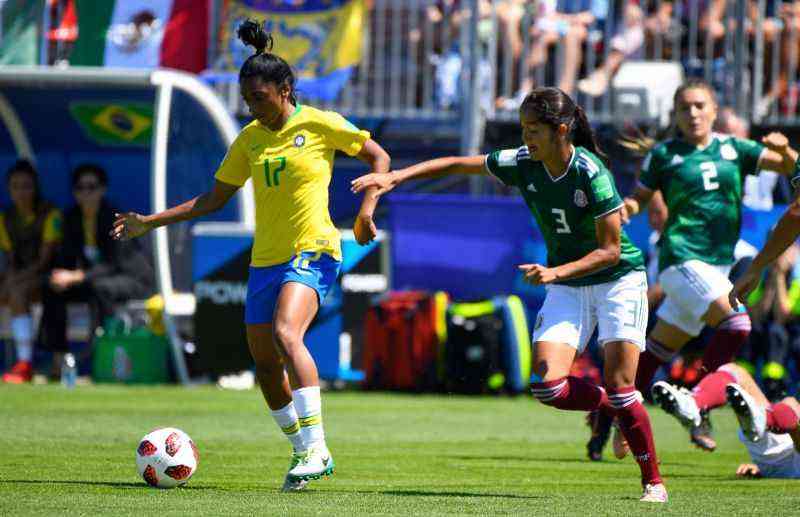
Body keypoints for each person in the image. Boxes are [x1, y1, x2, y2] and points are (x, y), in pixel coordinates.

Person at [112, 20, 391, 491]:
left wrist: (366, 209)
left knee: (286, 333)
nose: (253, 108)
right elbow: (212, 199)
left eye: (260, 99)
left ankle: (319, 445)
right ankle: (302, 452)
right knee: (263, 363)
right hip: (267, 259)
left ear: (285, 91)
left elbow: (379, 159)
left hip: (315, 249)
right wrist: (149, 221)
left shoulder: (320, 124)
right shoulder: (249, 139)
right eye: (247, 102)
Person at [352, 87, 667, 503]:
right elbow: (459, 163)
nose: (526, 139)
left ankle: (653, 483)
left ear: (561, 130)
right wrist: (396, 176)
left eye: (534, 130)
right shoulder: (524, 162)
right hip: (569, 283)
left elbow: (610, 251)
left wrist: (555, 271)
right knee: (548, 387)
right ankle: (611, 407)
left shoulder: (591, 173)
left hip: (618, 279)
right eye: (523, 129)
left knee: (622, 381)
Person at [621, 78, 798, 452]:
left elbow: (789, 169)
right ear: (676, 114)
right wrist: (627, 208)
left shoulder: (735, 149)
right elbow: (640, 197)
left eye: (700, 105)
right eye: (685, 107)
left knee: (656, 351)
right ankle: (697, 402)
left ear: (715, 110)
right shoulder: (665, 155)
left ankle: (611, 416)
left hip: (717, 266)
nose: (693, 113)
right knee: (736, 322)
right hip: (682, 259)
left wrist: (785, 150)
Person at [40, 164, 154, 374]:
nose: (86, 193)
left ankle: (98, 356)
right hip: (93, 279)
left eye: (91, 187)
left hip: (132, 279)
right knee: (52, 288)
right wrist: (61, 276)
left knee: (100, 288)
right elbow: (67, 257)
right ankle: (58, 360)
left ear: (102, 190)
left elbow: (114, 263)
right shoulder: (71, 217)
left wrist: (76, 276)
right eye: (80, 188)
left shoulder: (115, 218)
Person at [653, 361, 800, 479]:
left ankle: (763, 419)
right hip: (778, 456)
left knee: (789, 405)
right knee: (732, 370)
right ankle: (694, 405)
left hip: (780, 451)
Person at [0, 159, 62, 383]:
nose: (21, 192)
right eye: (15, 186)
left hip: (49, 278)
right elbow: (10, 260)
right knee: (13, 288)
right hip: (20, 278)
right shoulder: (5, 218)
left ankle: (25, 364)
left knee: (16, 290)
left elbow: (44, 261)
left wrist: (13, 281)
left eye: (26, 186)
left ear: (35, 187)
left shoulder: (50, 214)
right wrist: (9, 280)